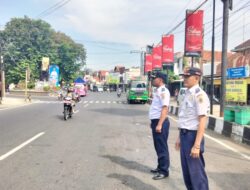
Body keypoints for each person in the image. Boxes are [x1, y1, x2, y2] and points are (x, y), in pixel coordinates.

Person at [175, 67, 210, 190]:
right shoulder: (187, 93)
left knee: (196, 175)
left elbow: (202, 121)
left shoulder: (199, 95)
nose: (184, 79)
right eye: (184, 76)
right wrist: (179, 137)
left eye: (187, 76)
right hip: (185, 136)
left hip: (193, 137)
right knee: (187, 173)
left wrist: (196, 146)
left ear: (196, 78)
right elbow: (185, 118)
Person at [149, 72, 170, 180]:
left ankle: (164, 171)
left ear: (160, 80)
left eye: (154, 78)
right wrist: (153, 122)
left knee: (162, 147)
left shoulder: (163, 91)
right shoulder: (158, 91)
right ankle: (160, 166)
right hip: (156, 121)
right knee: (158, 146)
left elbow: (164, 108)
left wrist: (159, 124)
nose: (153, 80)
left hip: (160, 122)